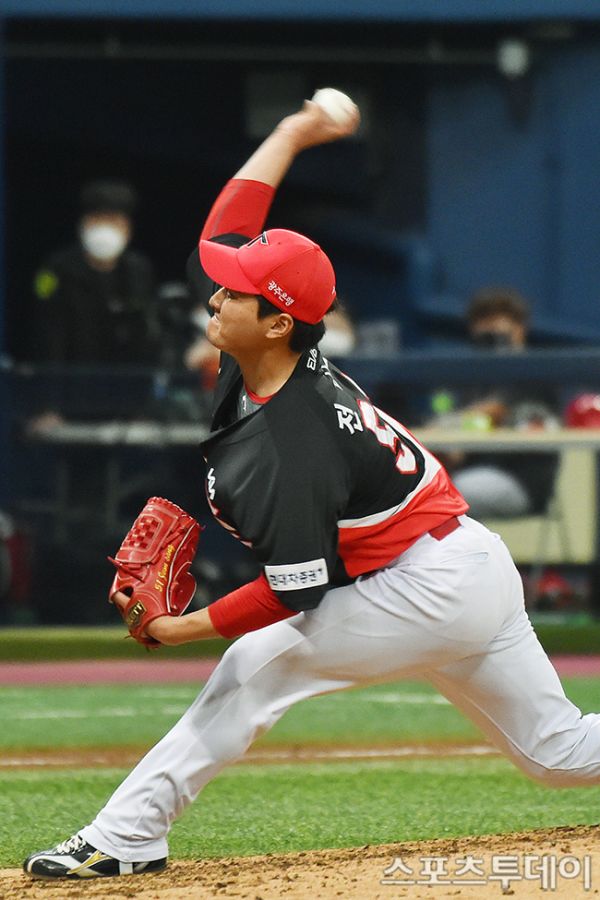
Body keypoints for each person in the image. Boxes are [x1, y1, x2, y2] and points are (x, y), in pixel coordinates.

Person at [24, 98, 600, 881]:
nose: (213, 298)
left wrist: (179, 629)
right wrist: (293, 133)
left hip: (428, 585)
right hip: (463, 562)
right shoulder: (266, 355)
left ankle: (124, 836)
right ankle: (128, 834)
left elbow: (295, 591)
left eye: (234, 294)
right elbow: (225, 229)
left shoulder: (294, 438)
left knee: (253, 667)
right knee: (558, 754)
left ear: (276, 323)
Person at [430, 287, 559, 519]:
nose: (492, 341)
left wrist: (447, 426)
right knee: (422, 488)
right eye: (485, 333)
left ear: (520, 329)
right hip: (473, 469)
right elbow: (473, 424)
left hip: (522, 481)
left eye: (499, 333)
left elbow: (493, 412)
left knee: (449, 494)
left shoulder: (533, 371)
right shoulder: (473, 378)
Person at [32, 179, 157, 368]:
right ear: (82, 224)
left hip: (124, 376)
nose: (105, 229)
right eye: (98, 219)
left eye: (113, 221)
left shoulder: (139, 270)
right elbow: (46, 333)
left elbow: (146, 331)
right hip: (69, 375)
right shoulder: (55, 269)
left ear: (128, 228)